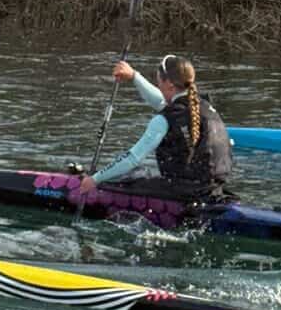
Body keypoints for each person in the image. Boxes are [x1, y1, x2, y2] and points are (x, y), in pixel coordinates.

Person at [77, 53, 233, 206]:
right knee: (141, 174)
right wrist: (134, 76)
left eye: (159, 80)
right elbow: (161, 100)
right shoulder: (202, 106)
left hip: (185, 194)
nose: (157, 83)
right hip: (213, 190)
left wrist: (94, 180)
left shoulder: (163, 119)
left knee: (129, 177)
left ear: (169, 84)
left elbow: (133, 158)